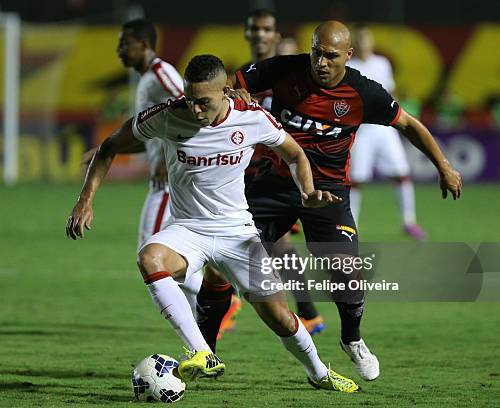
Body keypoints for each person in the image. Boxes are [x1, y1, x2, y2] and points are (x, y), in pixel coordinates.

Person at [66, 54, 360, 393]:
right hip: (189, 229)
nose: (194, 109)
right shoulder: (169, 115)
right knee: (149, 257)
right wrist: (85, 198)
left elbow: (294, 153)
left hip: (238, 233)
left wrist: (307, 191)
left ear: (227, 93)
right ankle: (201, 351)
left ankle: (320, 372)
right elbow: (111, 146)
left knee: (278, 316)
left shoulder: (252, 119)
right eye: (190, 100)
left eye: (203, 102)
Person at [200, 21, 462, 382]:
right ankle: (205, 352)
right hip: (273, 186)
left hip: (328, 192)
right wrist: (237, 94)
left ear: (348, 56)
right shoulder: (284, 68)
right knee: (220, 264)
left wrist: (443, 167)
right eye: (316, 52)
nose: (320, 62)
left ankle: (352, 339)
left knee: (346, 272)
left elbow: (409, 125)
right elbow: (233, 82)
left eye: (331, 56)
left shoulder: (363, 92)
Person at [197, 10, 324, 353]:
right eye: (254, 29)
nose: (259, 35)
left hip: (278, 174)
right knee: (256, 248)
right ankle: (301, 317)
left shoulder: (287, 75)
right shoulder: (238, 78)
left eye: (266, 29)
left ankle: (299, 317)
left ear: (274, 34)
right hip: (241, 174)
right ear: (247, 33)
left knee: (272, 246)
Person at [80, 19, 203, 313]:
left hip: (169, 182)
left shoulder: (161, 74)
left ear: (144, 45)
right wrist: (105, 150)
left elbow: (192, 109)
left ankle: (213, 298)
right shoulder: (148, 78)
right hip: (163, 181)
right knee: (153, 256)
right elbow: (151, 135)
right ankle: (208, 311)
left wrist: (169, 157)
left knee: (150, 256)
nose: (119, 50)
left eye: (125, 43)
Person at [347, 25, 427, 240]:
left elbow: (390, 93)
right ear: (354, 42)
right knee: (356, 179)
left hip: (384, 128)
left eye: (366, 38)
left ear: (372, 41)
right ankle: (352, 227)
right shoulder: (348, 66)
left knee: (402, 173)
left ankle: (409, 222)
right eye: (360, 39)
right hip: (361, 130)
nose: (363, 42)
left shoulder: (382, 64)